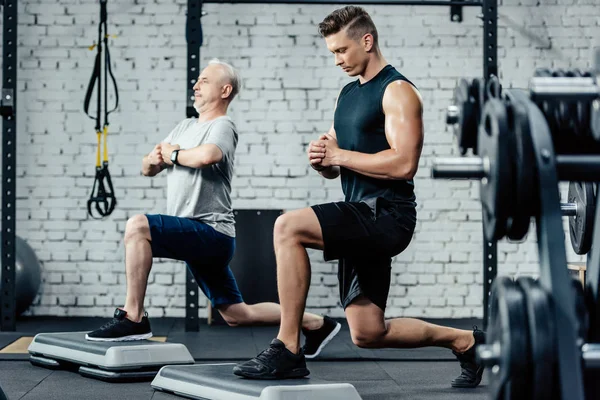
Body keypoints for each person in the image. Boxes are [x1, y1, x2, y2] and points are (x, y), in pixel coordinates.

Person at [233, 6, 485, 388]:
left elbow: (403, 164)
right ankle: (466, 341)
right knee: (368, 332)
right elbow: (339, 161)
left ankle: (288, 349)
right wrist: (324, 160)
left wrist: (339, 155)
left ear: (367, 41)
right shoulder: (348, 93)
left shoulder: (398, 91)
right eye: (332, 52)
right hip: (359, 213)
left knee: (287, 226)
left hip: (387, 214)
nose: (337, 60)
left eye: (342, 50)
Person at [86, 59, 341, 360]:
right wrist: (154, 161)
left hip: (211, 232)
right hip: (194, 234)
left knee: (138, 227)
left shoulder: (223, 125)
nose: (195, 85)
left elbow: (208, 155)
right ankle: (316, 323)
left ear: (225, 90)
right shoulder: (184, 126)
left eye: (204, 80)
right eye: (197, 80)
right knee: (236, 314)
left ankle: (134, 317)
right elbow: (148, 165)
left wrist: (173, 153)